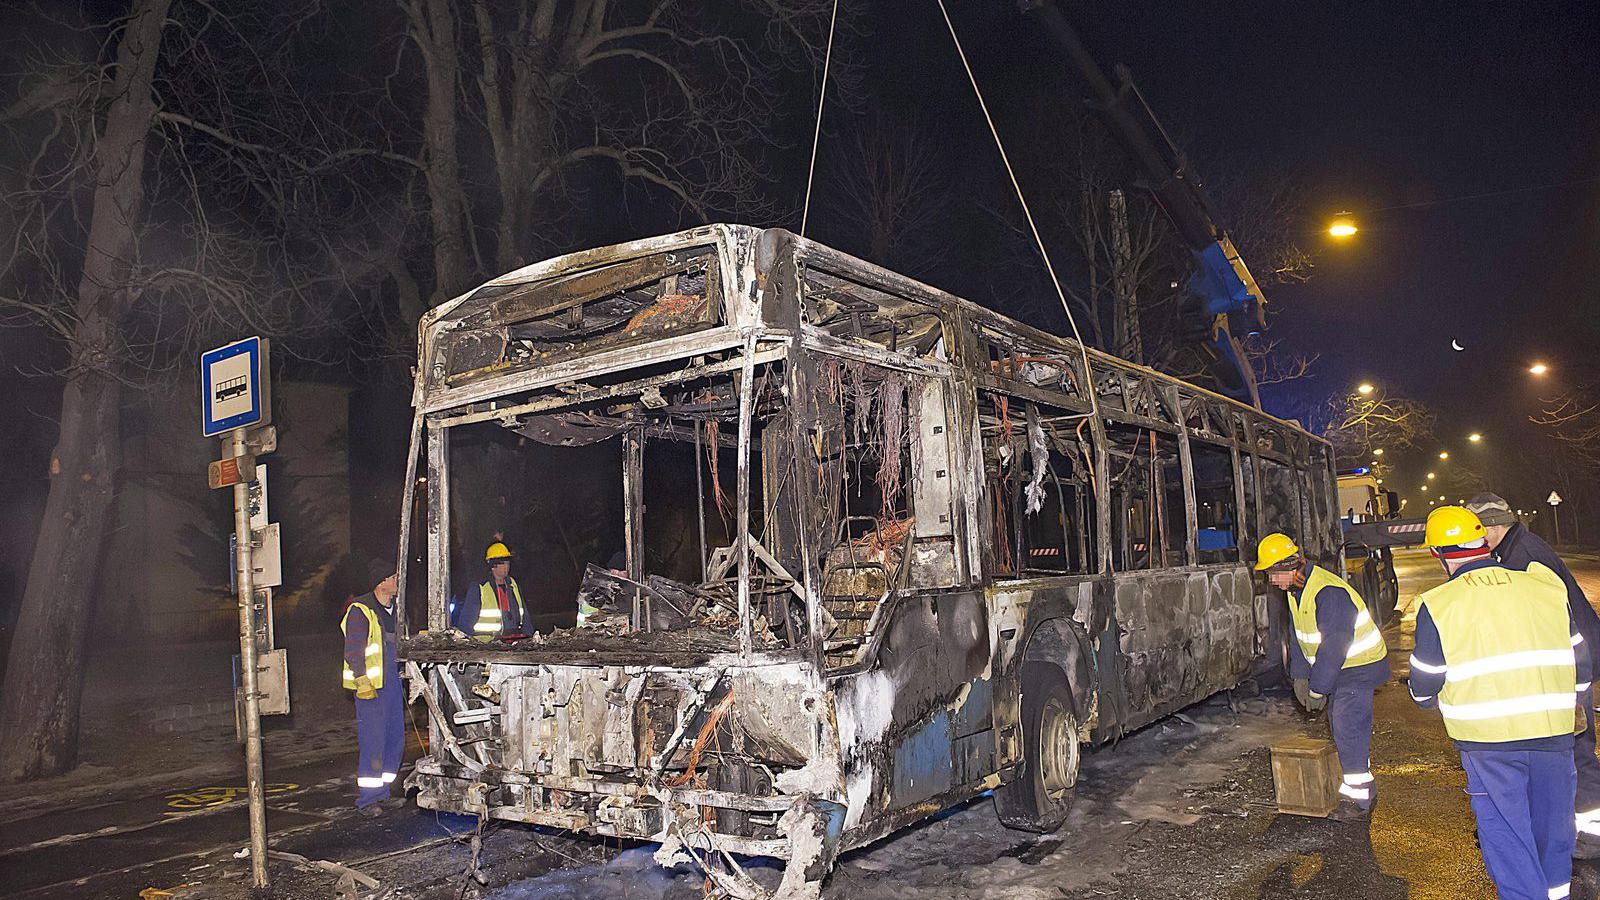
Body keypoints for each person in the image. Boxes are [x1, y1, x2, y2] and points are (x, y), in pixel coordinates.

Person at [1408, 506, 1589, 900]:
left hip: (1490, 746)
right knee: (1553, 830)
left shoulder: (1439, 603)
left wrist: (1421, 697)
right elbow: (1581, 658)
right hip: (1555, 735)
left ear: (1440, 554)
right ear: (1484, 543)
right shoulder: (1544, 585)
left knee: (1508, 837)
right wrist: (1574, 701)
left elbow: (1425, 681)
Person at [1468, 491, 1600, 857]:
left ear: (1490, 528)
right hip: (1566, 660)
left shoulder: (1522, 558)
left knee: (1575, 747)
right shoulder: (1516, 548)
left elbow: (1551, 618)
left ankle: (1592, 833)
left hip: (1570, 664)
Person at [1256, 532, 1390, 819]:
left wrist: (1317, 688)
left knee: (1347, 727)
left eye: (1273, 574)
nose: (1271, 581)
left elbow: (1334, 645)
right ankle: (1362, 784)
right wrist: (1300, 677)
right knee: (1344, 727)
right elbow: (1299, 638)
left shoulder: (1328, 592)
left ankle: (1359, 801)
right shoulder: (1296, 591)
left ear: (1291, 567)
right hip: (1341, 667)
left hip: (1358, 666)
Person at [343, 560, 405, 816]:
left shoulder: (396, 610)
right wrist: (361, 680)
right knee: (373, 741)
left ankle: (384, 792)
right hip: (371, 688)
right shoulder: (361, 609)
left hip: (393, 684)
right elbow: (353, 650)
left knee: (395, 739)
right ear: (382, 581)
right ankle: (368, 799)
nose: (398, 580)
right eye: (394, 576)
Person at [453, 541, 527, 641]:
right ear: (493, 565)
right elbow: (466, 621)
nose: (506, 567)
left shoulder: (513, 585)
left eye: (507, 563)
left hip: (513, 643)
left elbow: (525, 619)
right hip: (485, 645)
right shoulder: (480, 588)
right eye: (502, 563)